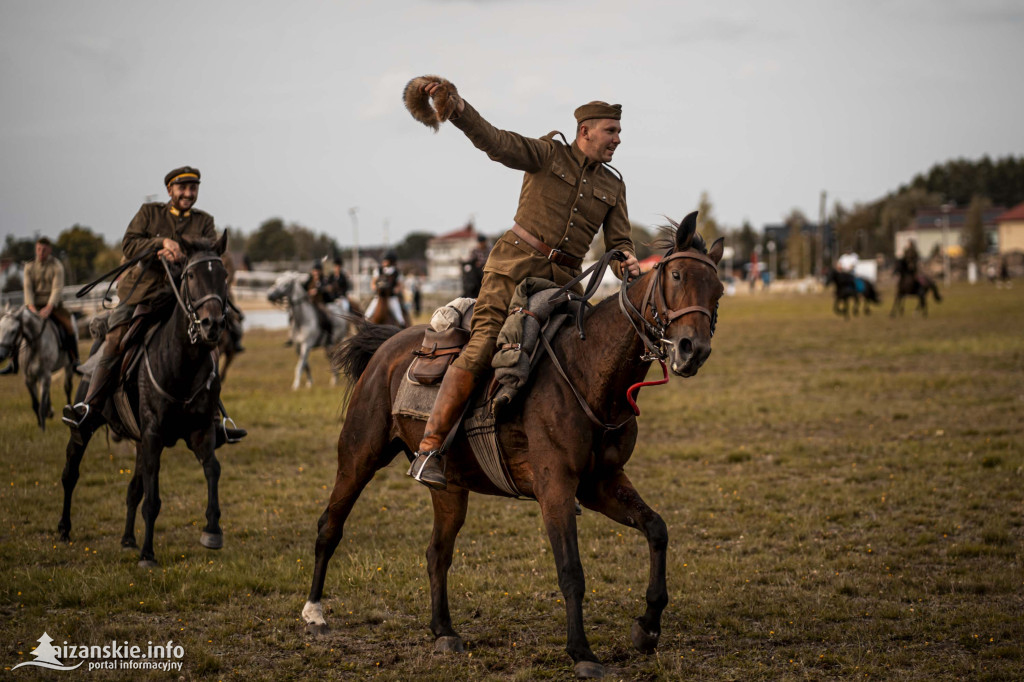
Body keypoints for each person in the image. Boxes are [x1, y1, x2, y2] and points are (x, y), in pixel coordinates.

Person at [407, 79, 640, 490]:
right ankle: (430, 448)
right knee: (482, 348)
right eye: (612, 131)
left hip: (566, 287)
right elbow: (495, 142)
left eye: (619, 132)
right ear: (585, 131)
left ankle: (565, 457)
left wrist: (627, 262)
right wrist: (458, 109)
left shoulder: (613, 185)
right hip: (512, 270)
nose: (618, 139)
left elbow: (618, 243)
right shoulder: (547, 154)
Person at [62, 166, 246, 445]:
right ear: (170, 190)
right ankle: (89, 406)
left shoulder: (205, 221)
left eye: (193, 188)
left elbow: (207, 253)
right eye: (182, 188)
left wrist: (183, 256)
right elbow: (129, 244)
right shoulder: (149, 213)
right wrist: (160, 244)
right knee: (114, 339)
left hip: (182, 300)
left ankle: (213, 419)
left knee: (211, 349)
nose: (188, 193)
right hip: (143, 294)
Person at [8, 237, 78, 374]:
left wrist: (49, 307)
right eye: (39, 249)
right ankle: (13, 362)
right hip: (33, 306)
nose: (41, 252)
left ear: (49, 250)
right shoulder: (29, 267)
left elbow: (57, 289)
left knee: (69, 325)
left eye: (44, 250)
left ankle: (75, 359)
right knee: (17, 326)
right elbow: (27, 289)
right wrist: (32, 308)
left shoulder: (57, 266)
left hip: (54, 306)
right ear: (36, 249)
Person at [364, 251, 410, 327]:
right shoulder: (378, 270)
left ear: (391, 261)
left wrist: (396, 290)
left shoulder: (396, 272)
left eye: (385, 260)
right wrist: (375, 288)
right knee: (367, 314)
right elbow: (373, 283)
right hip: (379, 297)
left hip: (391, 297)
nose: (383, 262)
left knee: (399, 316)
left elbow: (399, 285)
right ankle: (364, 327)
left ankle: (402, 327)